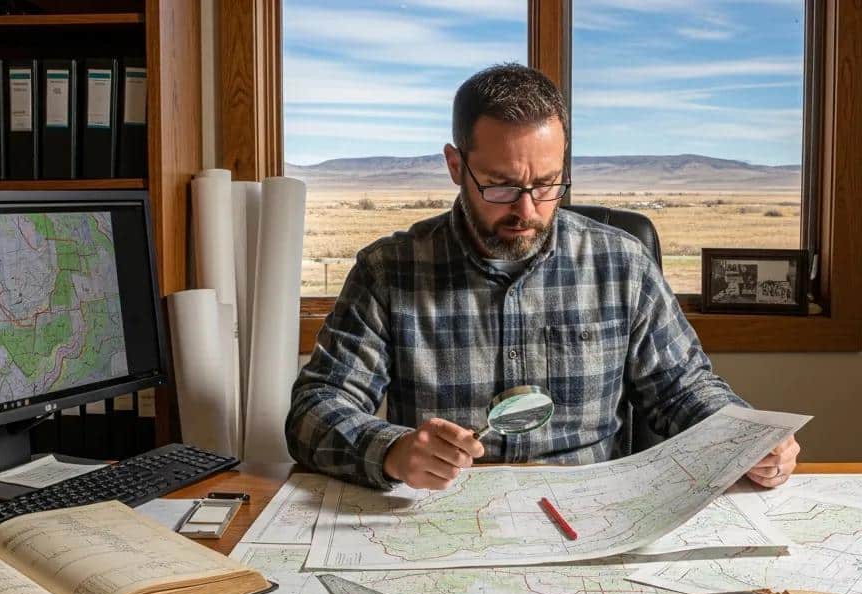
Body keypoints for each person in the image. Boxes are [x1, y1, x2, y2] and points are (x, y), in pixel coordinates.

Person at [285, 63, 799, 491]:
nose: (527, 210)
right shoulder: (388, 271)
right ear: (455, 165)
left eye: (548, 184)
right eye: (502, 187)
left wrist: (749, 438)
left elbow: (683, 390)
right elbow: (314, 409)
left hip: (592, 511)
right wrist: (392, 450)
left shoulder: (622, 265)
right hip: (444, 515)